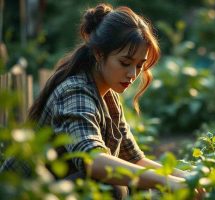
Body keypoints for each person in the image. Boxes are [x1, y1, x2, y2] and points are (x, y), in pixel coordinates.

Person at [2, 3, 204, 199]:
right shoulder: (75, 91)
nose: (132, 74)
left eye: (139, 65)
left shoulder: (109, 96)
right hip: (22, 192)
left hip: (54, 190)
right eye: (125, 63)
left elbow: (134, 158)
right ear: (99, 54)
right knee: (112, 185)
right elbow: (92, 160)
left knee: (137, 183)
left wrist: (186, 177)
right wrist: (164, 181)